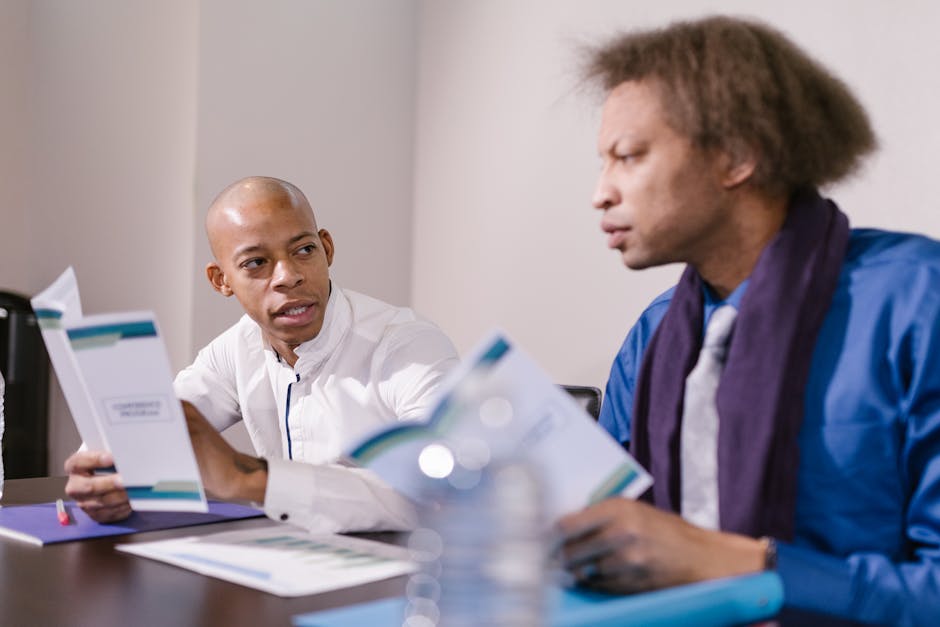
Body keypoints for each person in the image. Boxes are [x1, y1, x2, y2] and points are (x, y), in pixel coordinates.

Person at [557, 16, 940, 626]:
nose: (600, 193)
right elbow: (607, 531)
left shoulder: (917, 300)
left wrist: (740, 562)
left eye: (627, 156)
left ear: (737, 156)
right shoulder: (655, 334)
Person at [64, 176, 459, 533]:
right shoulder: (236, 348)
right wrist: (106, 478)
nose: (288, 276)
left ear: (327, 248)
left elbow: (444, 490)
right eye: (256, 263)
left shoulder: (408, 345)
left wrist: (250, 477)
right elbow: (153, 427)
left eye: (304, 250)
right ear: (222, 280)